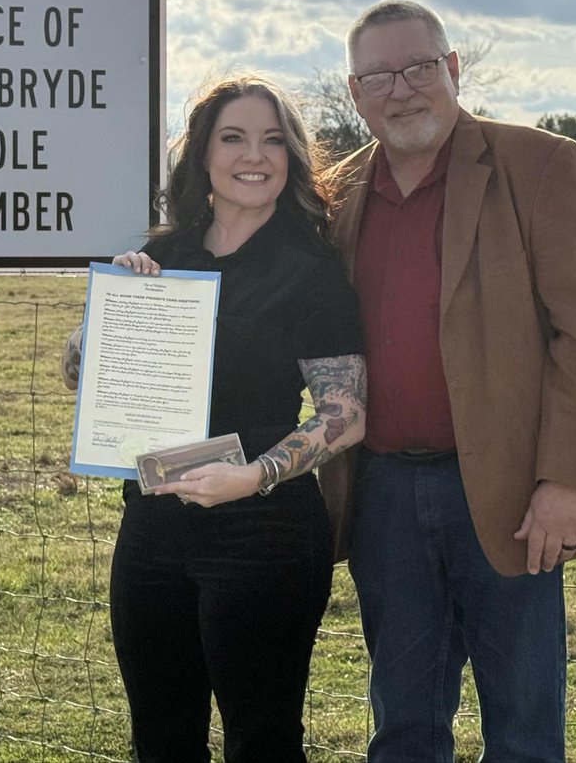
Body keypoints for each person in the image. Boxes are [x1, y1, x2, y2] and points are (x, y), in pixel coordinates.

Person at [326, 0, 576, 763]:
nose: (403, 90)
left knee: (524, 732)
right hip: (384, 497)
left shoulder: (541, 165)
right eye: (380, 76)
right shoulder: (338, 195)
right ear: (355, 94)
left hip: (511, 492)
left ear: (453, 69)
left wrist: (568, 481)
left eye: (420, 67)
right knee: (403, 732)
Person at [61, 73, 366, 763]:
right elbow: (82, 376)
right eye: (233, 138)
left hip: (264, 534)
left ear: (289, 157)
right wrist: (106, 324)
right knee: (160, 740)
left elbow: (347, 417)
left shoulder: (309, 271)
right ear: (203, 155)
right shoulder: (163, 257)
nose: (253, 155)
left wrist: (253, 476)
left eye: (271, 140)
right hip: (152, 527)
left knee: (261, 741)